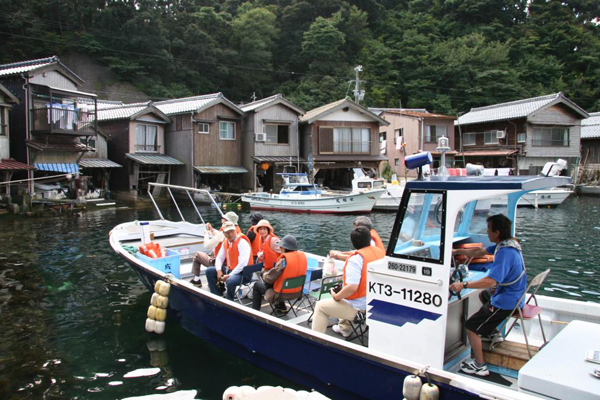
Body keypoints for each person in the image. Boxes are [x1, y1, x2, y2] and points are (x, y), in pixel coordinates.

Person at [449, 214, 527, 377]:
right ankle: (491, 332)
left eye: (489, 229)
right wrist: (456, 250)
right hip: (516, 295)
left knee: (470, 327)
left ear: (496, 232)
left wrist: (463, 284)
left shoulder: (505, 253)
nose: (487, 232)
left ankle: (480, 366)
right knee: (484, 295)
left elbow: (490, 281)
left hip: (507, 301)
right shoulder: (507, 244)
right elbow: (479, 251)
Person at [312, 226, 385, 337]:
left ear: (353, 242)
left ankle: (315, 340)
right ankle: (344, 327)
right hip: (375, 302)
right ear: (369, 239)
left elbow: (352, 288)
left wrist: (336, 296)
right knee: (343, 295)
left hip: (359, 307)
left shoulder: (355, 259)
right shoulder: (380, 253)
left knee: (320, 307)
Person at [252, 235, 307, 313]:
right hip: (297, 293)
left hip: (282, 294)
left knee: (257, 285)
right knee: (282, 282)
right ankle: (281, 306)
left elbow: (270, 278)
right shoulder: (302, 257)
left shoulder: (284, 260)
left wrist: (264, 275)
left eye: (281, 247)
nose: (280, 248)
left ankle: (255, 312)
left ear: (284, 248)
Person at [205, 221, 252, 301]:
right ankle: (217, 296)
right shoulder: (226, 242)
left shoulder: (242, 243)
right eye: (227, 232)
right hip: (230, 270)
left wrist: (230, 275)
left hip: (244, 273)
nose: (230, 234)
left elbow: (242, 264)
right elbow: (219, 258)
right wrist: (219, 270)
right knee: (209, 271)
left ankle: (229, 301)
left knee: (230, 281)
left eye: (232, 231)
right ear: (224, 233)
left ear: (235, 230)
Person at [189, 221, 225, 287]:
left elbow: (207, 246)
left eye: (223, 220)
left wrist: (206, 234)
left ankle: (196, 280)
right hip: (226, 262)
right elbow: (219, 236)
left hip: (217, 262)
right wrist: (212, 230)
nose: (221, 221)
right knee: (213, 251)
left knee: (197, 254)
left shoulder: (224, 233)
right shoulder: (233, 232)